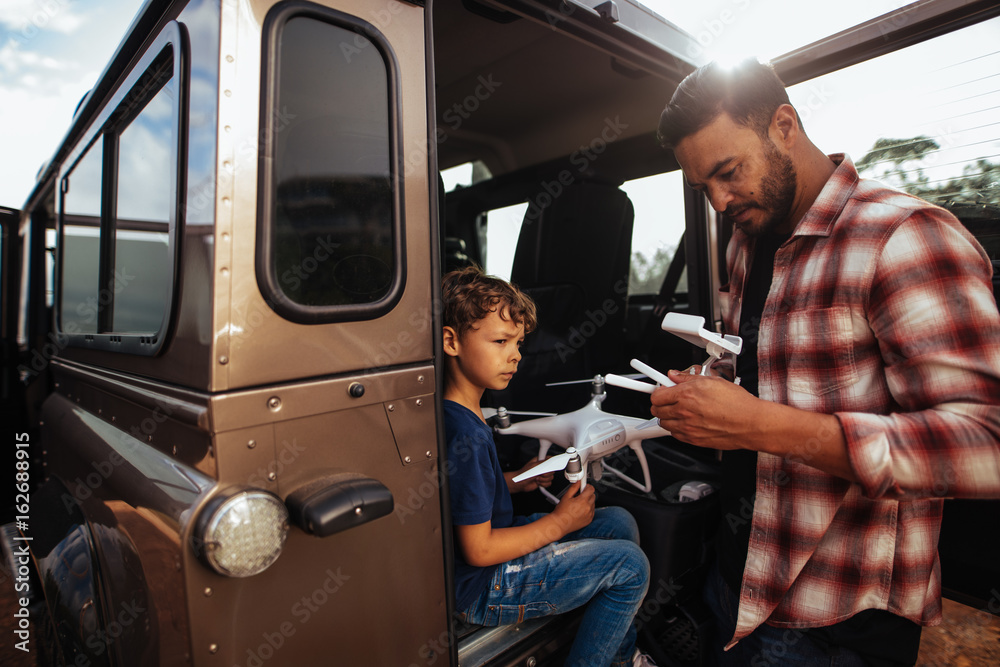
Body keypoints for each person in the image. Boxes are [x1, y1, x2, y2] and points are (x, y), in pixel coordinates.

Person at [653, 59, 1000, 666]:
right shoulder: (745, 242)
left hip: (839, 614)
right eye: (701, 186)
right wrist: (709, 393)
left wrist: (757, 426)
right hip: (741, 572)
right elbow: (769, 370)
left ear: (784, 124)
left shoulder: (905, 236)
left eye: (728, 172)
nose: (719, 201)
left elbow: (984, 445)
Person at [441, 265, 657, 667]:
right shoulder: (465, 434)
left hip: (493, 559)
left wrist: (511, 482)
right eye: (501, 340)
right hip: (484, 587)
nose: (516, 355)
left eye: (519, 343)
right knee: (631, 567)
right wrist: (559, 523)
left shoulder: (460, 413)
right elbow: (479, 548)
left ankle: (621, 658)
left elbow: (459, 494)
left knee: (620, 523)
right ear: (451, 341)